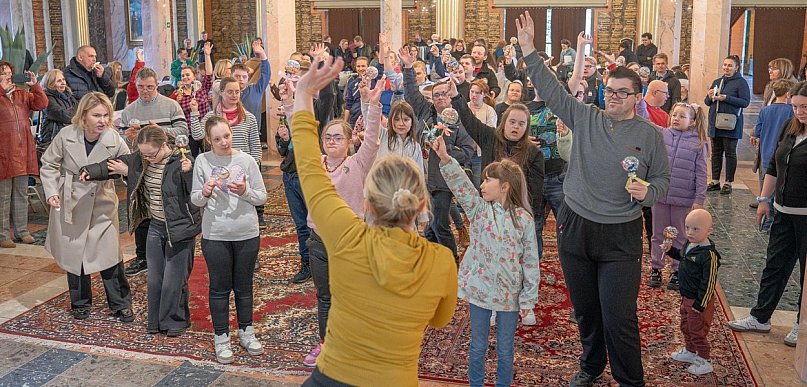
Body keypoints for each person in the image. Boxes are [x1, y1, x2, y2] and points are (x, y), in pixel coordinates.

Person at [516, 14, 670, 386]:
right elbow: (551, 90)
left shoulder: (650, 135)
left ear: (637, 97)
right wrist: (529, 50)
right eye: (609, 90)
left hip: (621, 234)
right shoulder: (585, 117)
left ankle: (630, 380)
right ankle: (591, 365)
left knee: (619, 315)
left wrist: (649, 192)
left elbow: (663, 180)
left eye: (622, 92)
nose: (613, 96)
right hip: (576, 226)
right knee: (585, 309)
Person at [294, 52, 457, 387]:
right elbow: (440, 319)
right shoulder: (440, 261)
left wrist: (303, 94)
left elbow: (308, 164)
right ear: (421, 204)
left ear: (367, 203)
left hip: (332, 377)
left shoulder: (345, 235)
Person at [434, 136, 539, 387]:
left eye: (487, 180)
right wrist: (445, 158)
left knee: (505, 348)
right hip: (480, 291)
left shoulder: (523, 219)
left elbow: (530, 261)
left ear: (504, 186)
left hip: (509, 295)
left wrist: (528, 299)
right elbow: (461, 185)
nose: (481, 185)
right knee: (478, 346)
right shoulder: (479, 210)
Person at [80, 125, 200, 337]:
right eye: (144, 154)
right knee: (155, 279)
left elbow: (196, 193)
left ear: (163, 145)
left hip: (180, 229)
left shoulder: (182, 160)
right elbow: (113, 164)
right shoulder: (141, 159)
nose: (148, 159)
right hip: (155, 226)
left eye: (152, 154)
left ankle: (175, 321)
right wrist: (89, 171)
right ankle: (156, 323)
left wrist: (189, 173)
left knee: (173, 281)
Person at [300, 79, 384, 367]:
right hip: (319, 240)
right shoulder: (316, 164)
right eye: (328, 137)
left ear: (349, 142)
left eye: (338, 137)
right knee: (325, 296)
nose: (332, 141)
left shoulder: (357, 164)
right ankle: (327, 344)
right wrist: (290, 101)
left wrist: (372, 106)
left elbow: (371, 139)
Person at [39, 92, 134, 321]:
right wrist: (52, 192)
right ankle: (80, 302)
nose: (102, 120)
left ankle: (120, 302)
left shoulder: (113, 139)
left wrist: (124, 170)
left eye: (106, 115)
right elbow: (49, 164)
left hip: (102, 202)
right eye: (96, 115)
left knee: (110, 255)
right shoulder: (66, 135)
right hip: (72, 200)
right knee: (75, 254)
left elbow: (130, 163)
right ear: (83, 116)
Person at [728, 81, 807, 348]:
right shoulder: (789, 127)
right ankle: (760, 317)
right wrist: (763, 199)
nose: (799, 112)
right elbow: (774, 164)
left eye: (805, 107)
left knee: (806, 275)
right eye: (795, 106)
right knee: (775, 265)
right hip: (783, 211)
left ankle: (802, 324)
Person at [191, 116, 267, 363]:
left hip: (246, 232)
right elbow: (195, 199)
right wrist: (204, 192)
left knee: (244, 287)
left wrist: (244, 191)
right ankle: (221, 337)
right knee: (219, 288)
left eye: (226, 136)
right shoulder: (202, 161)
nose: (224, 142)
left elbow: (261, 197)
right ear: (208, 140)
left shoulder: (246, 160)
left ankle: (247, 332)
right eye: (217, 139)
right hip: (216, 233)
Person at [400, 47, 476, 262]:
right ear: (432, 98)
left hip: (442, 181)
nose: (441, 98)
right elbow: (411, 93)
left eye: (444, 94)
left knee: (440, 224)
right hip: (420, 177)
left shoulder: (460, 119)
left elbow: (467, 151)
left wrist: (444, 151)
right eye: (437, 95)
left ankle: (452, 262)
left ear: (450, 97)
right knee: (429, 228)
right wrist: (408, 67)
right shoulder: (426, 112)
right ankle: (435, 262)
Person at [120, 67, 189, 276]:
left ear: (156, 85)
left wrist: (161, 131)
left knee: (166, 206)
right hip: (142, 165)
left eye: (150, 87)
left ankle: (171, 249)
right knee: (143, 208)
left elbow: (183, 132)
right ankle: (142, 256)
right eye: (141, 87)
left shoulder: (170, 105)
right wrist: (129, 137)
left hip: (167, 165)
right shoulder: (129, 110)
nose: (145, 91)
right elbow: (123, 141)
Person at [648, 103, 708, 290]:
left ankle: (677, 270)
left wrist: (699, 199)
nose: (676, 119)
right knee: (658, 234)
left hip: (683, 199)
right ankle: (656, 267)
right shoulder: (664, 134)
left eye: (682, 116)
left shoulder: (698, 143)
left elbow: (701, 173)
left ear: (692, 122)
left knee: (681, 236)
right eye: (674, 115)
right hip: (661, 196)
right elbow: (645, 120)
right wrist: (640, 100)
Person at [661, 209, 721, 375]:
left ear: (709, 231)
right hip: (685, 296)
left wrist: (700, 305)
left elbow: (709, 282)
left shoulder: (709, 255)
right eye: (687, 228)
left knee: (697, 330)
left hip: (698, 301)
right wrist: (669, 250)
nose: (689, 232)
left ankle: (705, 359)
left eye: (695, 229)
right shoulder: (689, 244)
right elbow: (682, 257)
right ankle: (690, 350)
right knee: (686, 326)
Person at [0, 62, 48, 248]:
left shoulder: (21, 94)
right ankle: (3, 234)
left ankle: (22, 231)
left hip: (22, 151)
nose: (8, 76)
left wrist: (35, 86)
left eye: (10, 73)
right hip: (3, 153)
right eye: (3, 73)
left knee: (21, 193)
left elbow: (42, 104)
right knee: (3, 196)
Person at [704, 55, 750, 195]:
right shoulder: (717, 81)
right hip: (715, 123)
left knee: (730, 153)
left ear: (736, 68)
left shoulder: (741, 83)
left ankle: (728, 182)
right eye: (725, 65)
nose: (726, 68)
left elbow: (745, 102)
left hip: (731, 124)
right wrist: (709, 95)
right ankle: (715, 181)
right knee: (716, 153)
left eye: (730, 65)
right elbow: (708, 102)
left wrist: (726, 98)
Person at [750, 79, 794, 222]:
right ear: (788, 94)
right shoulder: (791, 111)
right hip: (783, 155)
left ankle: (765, 220)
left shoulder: (765, 110)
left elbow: (757, 131)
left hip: (766, 154)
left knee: (765, 188)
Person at [173, 42, 214, 156]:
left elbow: (209, 75)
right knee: (192, 159)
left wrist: (207, 55)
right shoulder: (178, 94)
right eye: (183, 76)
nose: (185, 77)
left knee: (209, 157)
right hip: (189, 134)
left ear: (194, 76)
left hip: (205, 131)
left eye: (187, 75)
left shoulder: (200, 89)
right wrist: (177, 102)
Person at [39, 69, 78, 153]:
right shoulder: (47, 98)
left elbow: (79, 110)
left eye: (63, 79)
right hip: (53, 140)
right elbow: (65, 116)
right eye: (59, 81)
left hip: (70, 136)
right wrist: (77, 117)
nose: (63, 83)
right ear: (50, 83)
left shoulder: (69, 96)